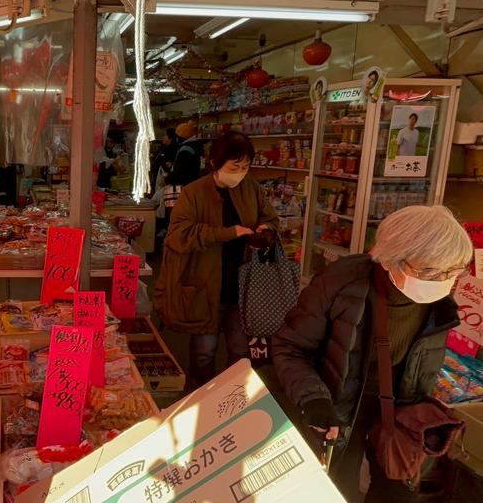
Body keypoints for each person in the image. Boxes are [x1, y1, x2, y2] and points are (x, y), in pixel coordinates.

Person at [273, 205, 471, 501]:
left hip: (403, 413)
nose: (440, 280)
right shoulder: (342, 281)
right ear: (392, 256)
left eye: (452, 271)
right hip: (340, 406)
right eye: (428, 270)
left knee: (396, 492)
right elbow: (290, 345)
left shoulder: (439, 296)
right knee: (338, 488)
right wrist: (313, 398)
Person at [154, 131, 278, 388]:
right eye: (235, 166)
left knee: (240, 352)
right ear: (215, 162)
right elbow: (177, 236)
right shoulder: (193, 193)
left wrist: (267, 229)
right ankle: (199, 401)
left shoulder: (252, 189)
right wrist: (226, 233)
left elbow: (271, 218)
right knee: (203, 353)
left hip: (243, 286)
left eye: (246, 166)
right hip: (205, 285)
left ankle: (232, 403)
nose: (241, 172)